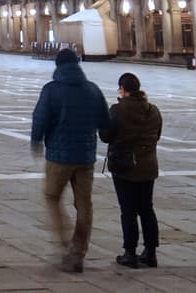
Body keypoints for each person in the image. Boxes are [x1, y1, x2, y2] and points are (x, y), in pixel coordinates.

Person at [30, 48, 111, 274]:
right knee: (85, 205)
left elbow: (40, 118)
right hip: (86, 157)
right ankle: (79, 251)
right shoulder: (93, 90)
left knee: (52, 197)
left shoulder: (52, 90)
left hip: (59, 156)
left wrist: (36, 140)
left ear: (58, 66)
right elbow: (105, 122)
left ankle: (65, 244)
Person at [99, 72, 163, 269]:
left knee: (128, 210)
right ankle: (151, 252)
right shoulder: (153, 110)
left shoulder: (118, 109)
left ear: (122, 89)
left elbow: (106, 135)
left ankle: (130, 253)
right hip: (148, 166)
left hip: (125, 165)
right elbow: (157, 135)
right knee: (146, 209)